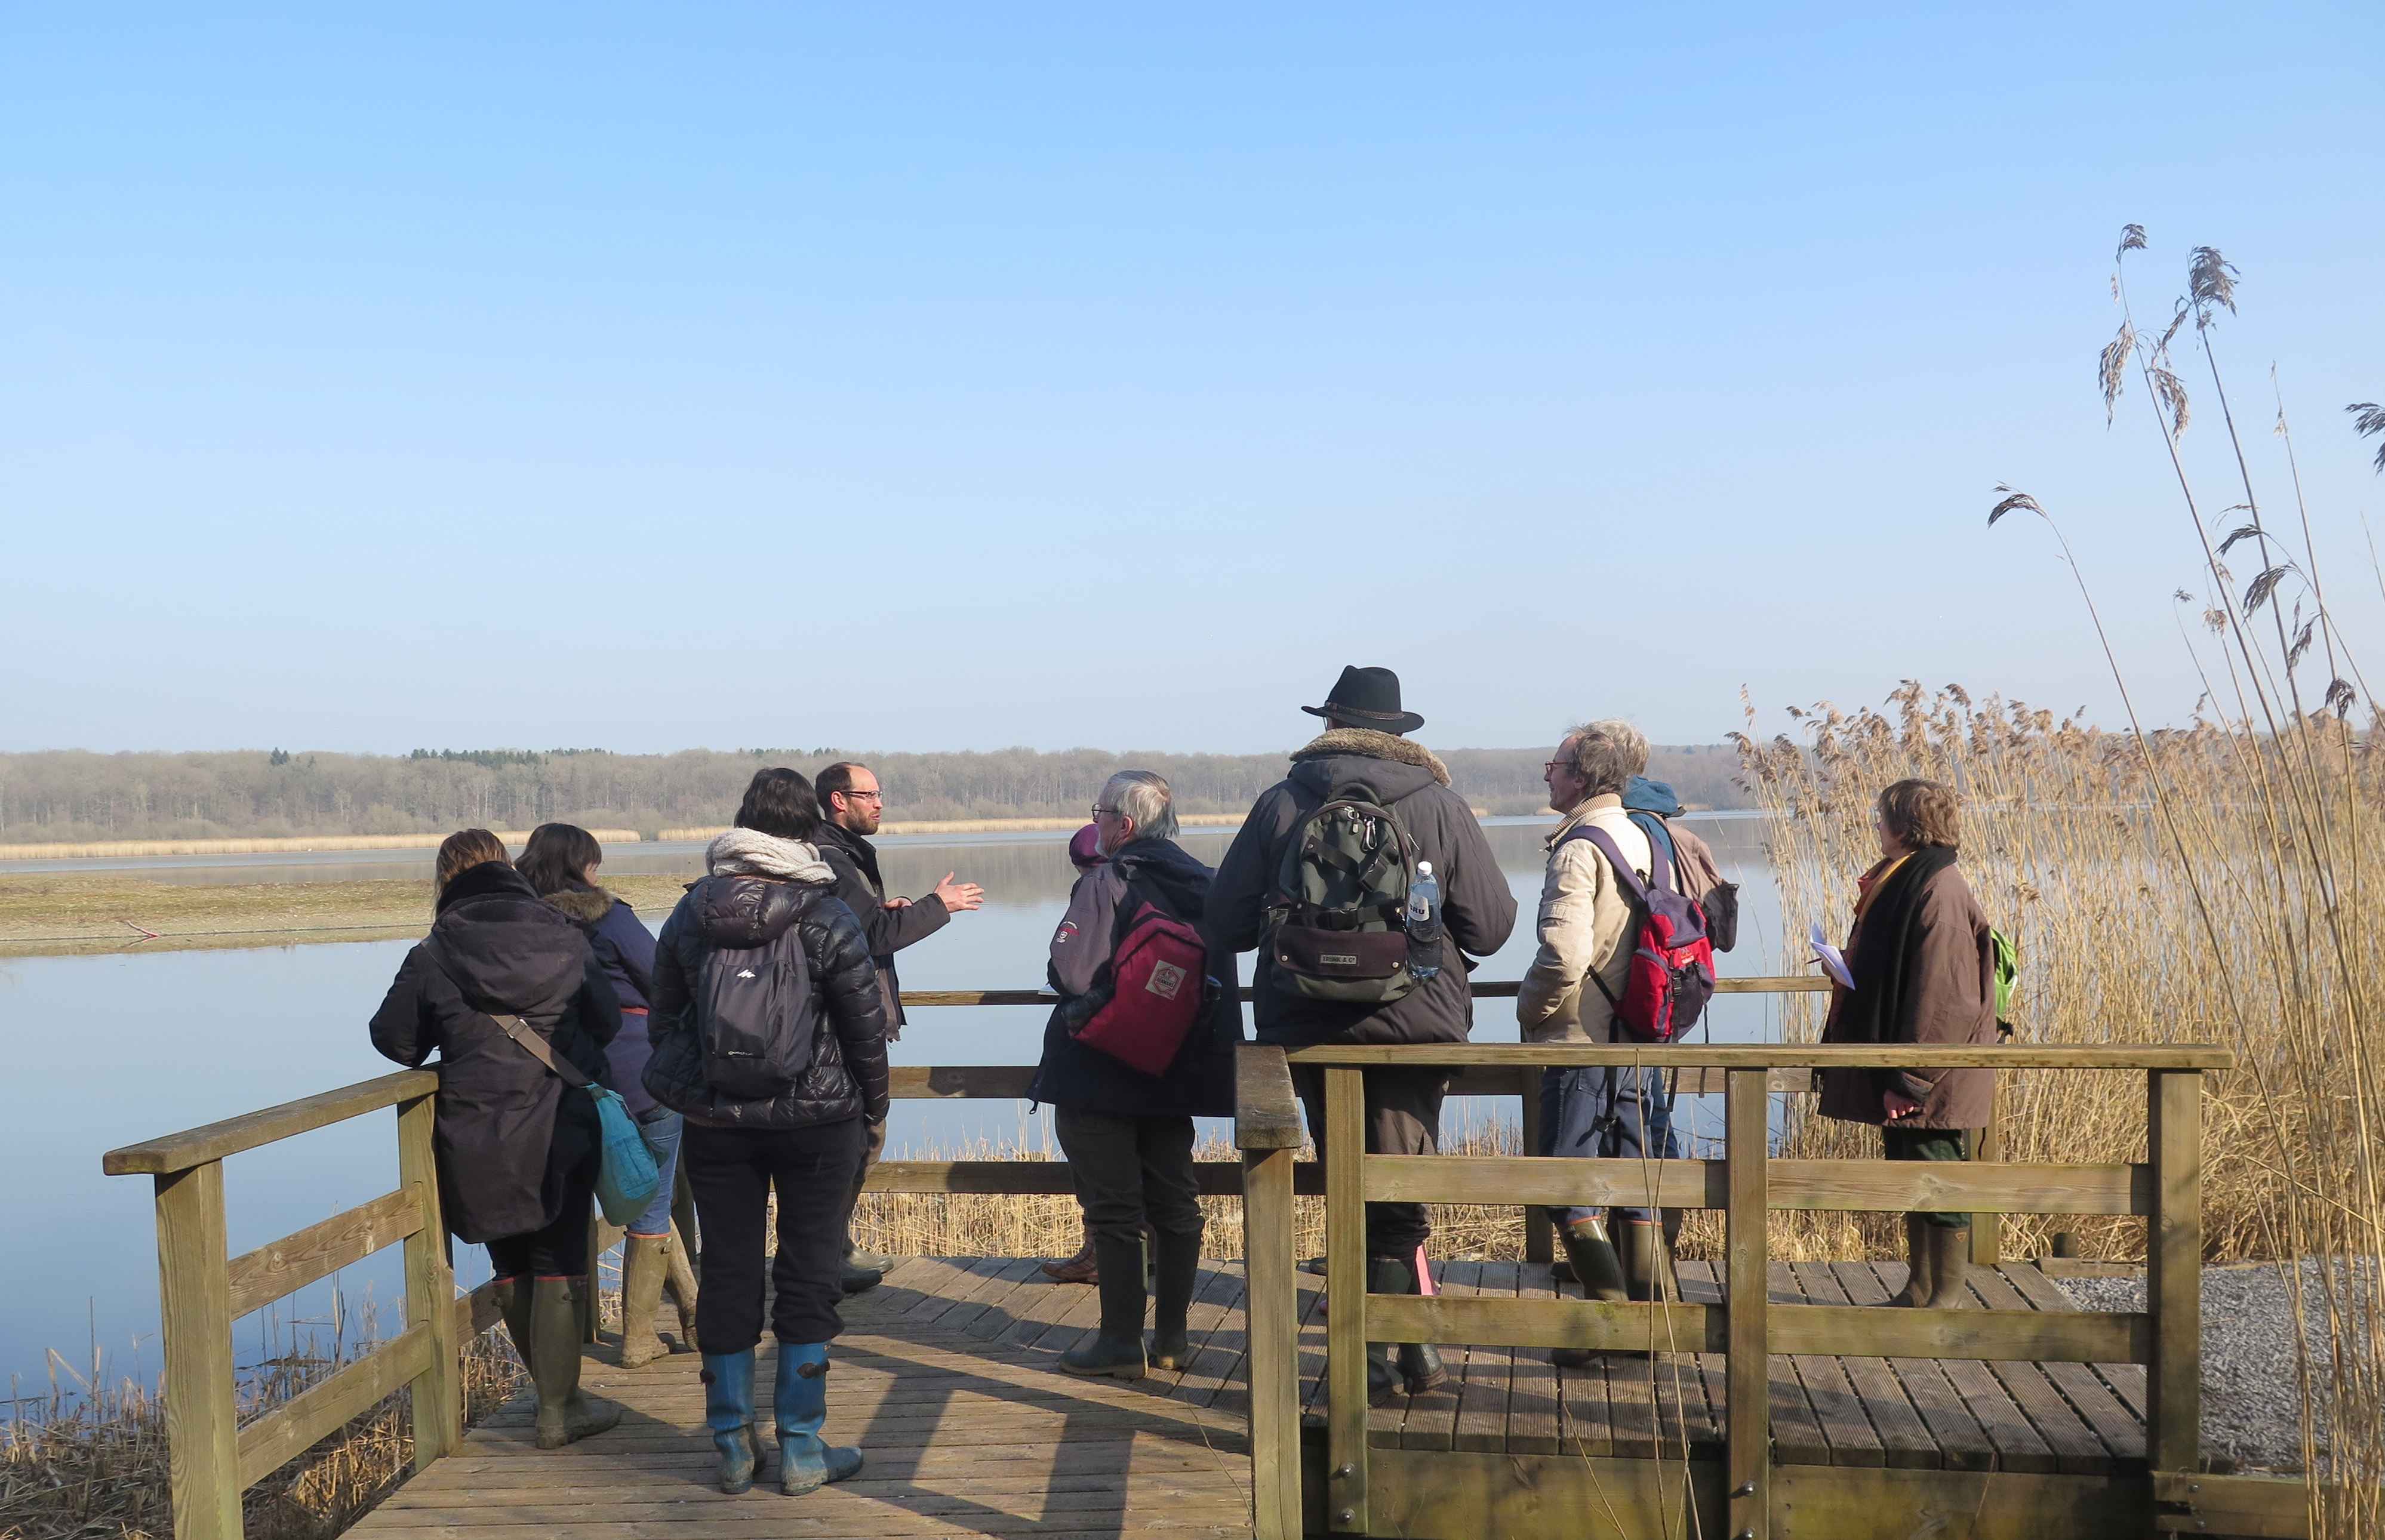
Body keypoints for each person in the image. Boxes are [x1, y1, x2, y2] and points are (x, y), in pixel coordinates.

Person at [1207, 666, 1517, 1405]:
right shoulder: (1438, 804)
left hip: (1306, 1026)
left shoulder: (1281, 802)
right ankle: (1386, 1361)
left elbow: (1222, 923)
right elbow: (1493, 927)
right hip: (1414, 1025)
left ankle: (1400, 1354)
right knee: (1397, 1185)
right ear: (1399, 733)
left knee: (1346, 1181)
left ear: (1329, 727)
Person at [644, 769, 891, 1496]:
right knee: (810, 1273)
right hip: (819, 1120)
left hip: (718, 1123)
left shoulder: (691, 913)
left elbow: (664, 1019)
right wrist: (870, 1106)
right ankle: (804, 1450)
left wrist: (699, 1086)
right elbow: (863, 1028)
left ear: (740, 827)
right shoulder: (825, 910)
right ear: (805, 829)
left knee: (727, 1271)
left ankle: (731, 1444)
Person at [369, 829, 624, 1449]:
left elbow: (396, 1041)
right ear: (507, 869)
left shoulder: (434, 951)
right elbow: (608, 1019)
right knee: (559, 1260)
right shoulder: (563, 934)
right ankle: (560, 1410)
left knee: (509, 1263)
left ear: (443, 880)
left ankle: (550, 1399)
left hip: (477, 1127)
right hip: (560, 1117)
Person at [1032, 774, 1236, 1378]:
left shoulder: (1106, 881)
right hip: (1174, 1074)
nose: (1093, 823)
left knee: (1115, 1212)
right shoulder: (1209, 885)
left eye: (1097, 813)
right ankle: (1171, 1338)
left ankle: (1120, 1343)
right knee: (1175, 1203)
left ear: (1122, 825)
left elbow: (1070, 974)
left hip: (1099, 1071)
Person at [1518, 722, 1679, 1353]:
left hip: (1582, 1041)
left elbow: (1563, 952)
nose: (1547, 775)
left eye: (1553, 766)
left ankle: (1611, 1326)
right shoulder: (1645, 834)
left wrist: (1532, 1011)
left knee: (1565, 1186)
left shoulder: (1579, 846)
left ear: (1580, 776)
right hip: (1638, 1035)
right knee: (1640, 1180)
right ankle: (1656, 1322)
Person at [516, 823, 698, 1367]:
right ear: (583, 868)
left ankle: (693, 1308)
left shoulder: (523, 923)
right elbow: (662, 976)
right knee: (653, 1199)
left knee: (646, 1198)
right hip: (640, 1072)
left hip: (562, 1078)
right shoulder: (610, 916)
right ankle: (639, 1338)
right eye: (595, 863)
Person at [1815, 778, 1998, 1310]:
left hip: (1931, 1075)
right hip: (1914, 1066)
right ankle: (1919, 1288)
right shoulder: (1913, 878)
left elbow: (1944, 999)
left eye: (1881, 816)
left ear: (1905, 825)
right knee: (1913, 1172)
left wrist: (1909, 1079)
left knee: (1935, 1172)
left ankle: (1946, 1295)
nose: (1875, 824)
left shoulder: (1937, 889)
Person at [812, 760, 985, 1293]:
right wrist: (940, 906)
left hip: (851, 1022)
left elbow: (865, 925)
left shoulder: (842, 857)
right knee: (859, 1137)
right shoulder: (833, 860)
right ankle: (829, 1257)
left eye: (880, 793)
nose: (880, 802)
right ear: (839, 801)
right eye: (870, 794)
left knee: (859, 1137)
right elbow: (873, 937)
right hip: (844, 1027)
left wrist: (889, 910)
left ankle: (833, 1250)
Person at [1042, 821, 1112, 1286]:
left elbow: (1067, 972)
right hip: (1157, 1045)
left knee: (1087, 1145)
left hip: (1097, 1041)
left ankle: (1100, 1253)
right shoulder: (1164, 882)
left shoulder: (1095, 889)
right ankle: (1146, 1251)